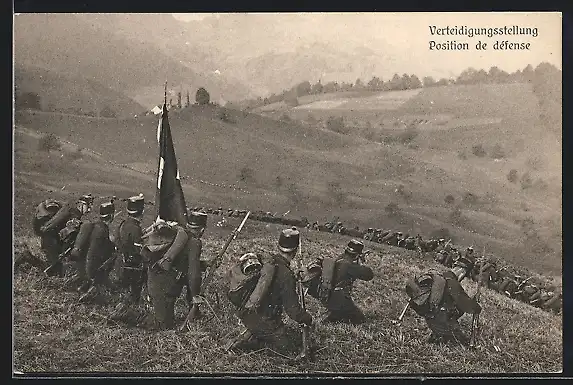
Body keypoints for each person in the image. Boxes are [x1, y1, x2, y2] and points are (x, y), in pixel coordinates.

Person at [225, 227, 313, 354]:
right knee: (289, 348)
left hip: (246, 313)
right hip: (263, 321)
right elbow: (293, 311)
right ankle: (251, 341)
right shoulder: (286, 275)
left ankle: (252, 333)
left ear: (278, 246)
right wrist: (307, 318)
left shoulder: (268, 262)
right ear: (295, 252)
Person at [141, 212, 207, 330]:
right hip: (163, 289)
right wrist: (195, 296)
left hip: (156, 282)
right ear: (202, 230)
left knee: (167, 322)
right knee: (162, 325)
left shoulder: (180, 235)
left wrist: (205, 264)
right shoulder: (195, 242)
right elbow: (194, 275)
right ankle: (127, 312)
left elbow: (183, 263)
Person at [404, 251, 482, 345]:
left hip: (429, 316)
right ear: (462, 272)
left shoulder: (442, 275)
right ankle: (442, 334)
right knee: (461, 342)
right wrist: (477, 307)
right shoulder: (452, 282)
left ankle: (438, 335)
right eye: (464, 275)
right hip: (439, 320)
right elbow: (466, 305)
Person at [302, 239, 374, 324]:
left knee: (340, 314)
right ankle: (334, 316)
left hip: (326, 294)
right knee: (359, 319)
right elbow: (369, 275)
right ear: (357, 255)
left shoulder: (340, 258)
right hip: (339, 300)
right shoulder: (349, 265)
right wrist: (360, 263)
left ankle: (334, 315)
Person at [37, 194, 94, 277]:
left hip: (49, 237)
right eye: (88, 206)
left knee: (53, 267)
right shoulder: (75, 214)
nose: (89, 209)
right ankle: (27, 257)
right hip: (51, 240)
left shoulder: (71, 210)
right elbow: (68, 233)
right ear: (81, 205)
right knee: (53, 270)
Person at [109, 195, 146, 321]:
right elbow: (139, 252)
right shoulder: (135, 228)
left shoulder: (123, 224)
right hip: (131, 267)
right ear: (141, 211)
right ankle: (126, 311)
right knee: (134, 291)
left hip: (120, 264)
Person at [77, 200, 117, 303]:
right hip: (92, 269)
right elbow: (95, 254)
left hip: (84, 266)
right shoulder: (102, 230)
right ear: (111, 216)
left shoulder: (96, 226)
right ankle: (92, 290)